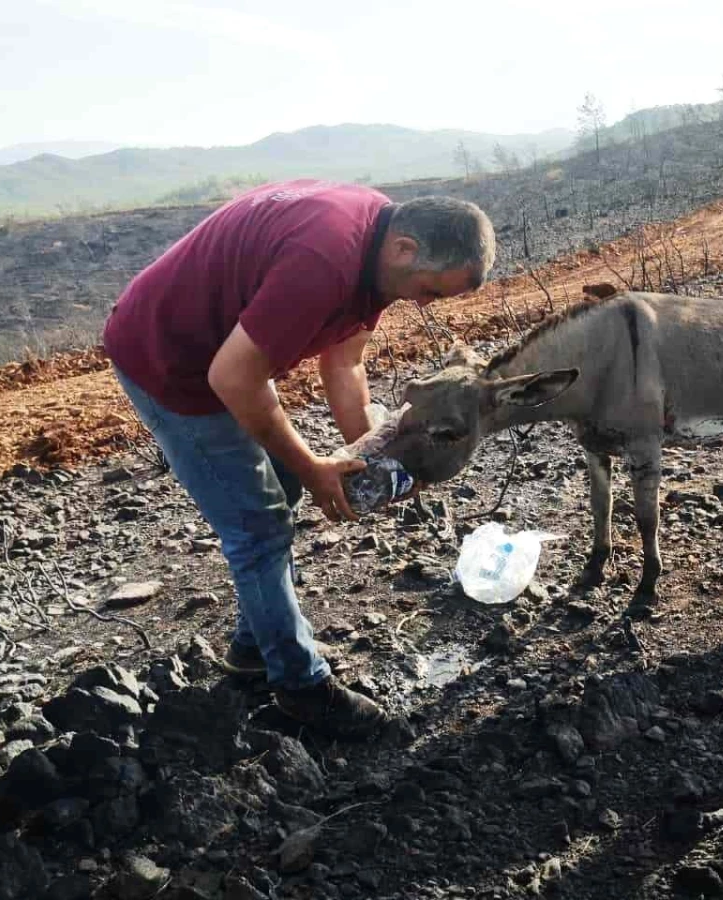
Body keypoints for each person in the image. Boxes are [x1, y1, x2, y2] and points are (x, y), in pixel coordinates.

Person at [102, 179, 495, 738]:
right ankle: (302, 688)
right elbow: (233, 377)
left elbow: (344, 364)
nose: (422, 303)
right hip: (169, 361)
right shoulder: (326, 259)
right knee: (258, 524)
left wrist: (370, 456)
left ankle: (252, 648)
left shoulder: (380, 247)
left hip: (226, 357)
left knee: (278, 488)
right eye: (429, 290)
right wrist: (315, 469)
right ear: (405, 248)